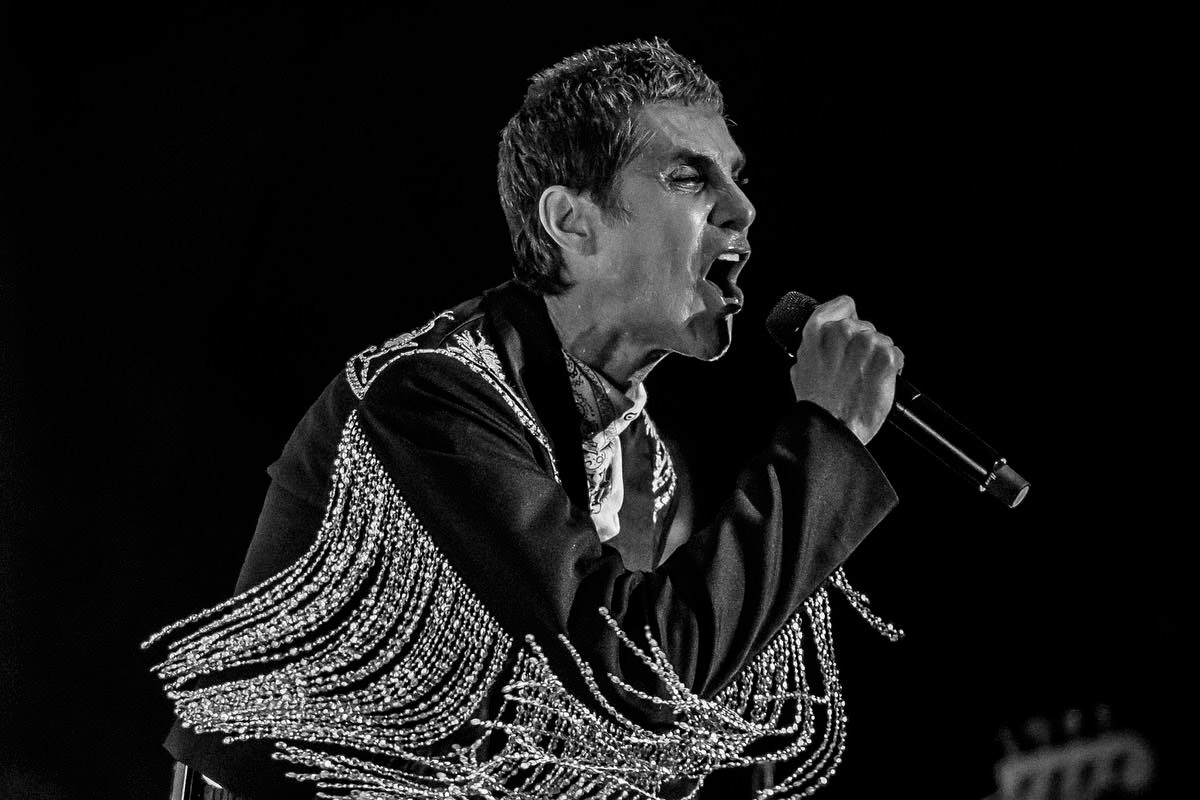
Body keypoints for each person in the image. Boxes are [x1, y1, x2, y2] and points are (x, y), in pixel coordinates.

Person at [145, 39, 905, 800]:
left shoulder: (643, 462)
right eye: (689, 177)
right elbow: (635, 671)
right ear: (573, 223)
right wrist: (828, 437)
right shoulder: (431, 395)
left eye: (737, 178)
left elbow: (637, 721)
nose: (742, 209)